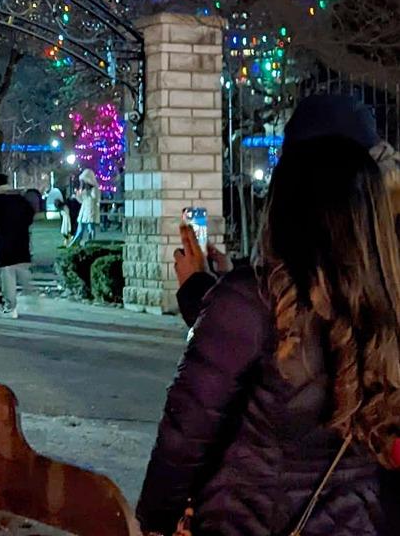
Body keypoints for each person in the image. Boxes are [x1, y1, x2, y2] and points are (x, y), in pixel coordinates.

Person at [137, 134, 400, 535]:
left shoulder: (249, 299)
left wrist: (154, 519)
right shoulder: (386, 304)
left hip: (253, 521)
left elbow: (186, 432)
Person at [173, 94, 400, 329]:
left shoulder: (330, 256)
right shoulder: (380, 242)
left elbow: (267, 341)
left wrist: (199, 289)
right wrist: (233, 280)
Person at [0, 173, 36, 319]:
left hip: (4, 242)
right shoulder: (18, 198)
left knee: (8, 274)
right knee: (22, 268)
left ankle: (10, 307)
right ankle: (32, 298)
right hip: (21, 239)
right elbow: (30, 214)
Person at [68, 169, 100, 247]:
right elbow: (81, 201)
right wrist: (77, 195)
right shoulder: (84, 189)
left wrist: (88, 192)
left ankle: (91, 243)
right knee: (80, 228)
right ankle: (76, 242)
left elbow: (95, 198)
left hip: (90, 210)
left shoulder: (94, 188)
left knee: (90, 228)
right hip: (84, 210)